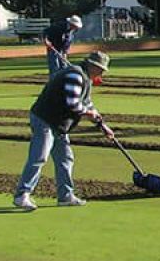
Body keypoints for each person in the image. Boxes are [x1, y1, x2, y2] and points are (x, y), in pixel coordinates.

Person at [13, 51, 109, 210]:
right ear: (92, 66)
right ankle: (22, 195)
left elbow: (87, 103)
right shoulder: (75, 76)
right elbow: (73, 104)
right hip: (45, 119)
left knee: (65, 158)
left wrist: (102, 125)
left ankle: (65, 196)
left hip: (59, 123)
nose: (102, 72)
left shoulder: (86, 79)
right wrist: (89, 113)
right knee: (39, 156)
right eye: (101, 69)